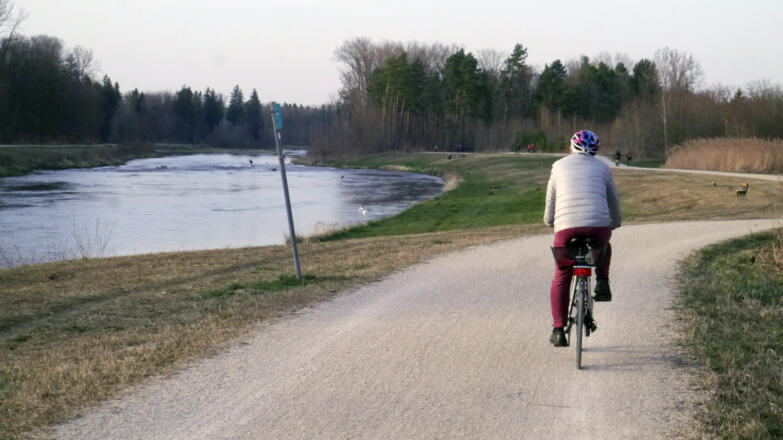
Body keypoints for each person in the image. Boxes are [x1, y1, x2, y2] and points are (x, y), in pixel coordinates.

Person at [543, 130, 622, 347]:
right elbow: (613, 201)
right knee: (603, 246)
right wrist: (615, 222)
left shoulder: (558, 166)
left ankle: (558, 330)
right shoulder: (604, 168)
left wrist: (550, 221)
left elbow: (551, 201)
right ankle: (603, 282)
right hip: (598, 227)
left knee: (561, 275)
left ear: (571, 148)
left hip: (566, 229)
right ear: (595, 150)